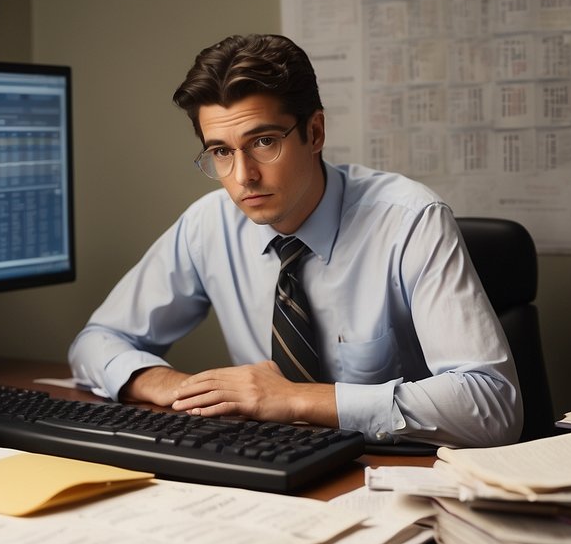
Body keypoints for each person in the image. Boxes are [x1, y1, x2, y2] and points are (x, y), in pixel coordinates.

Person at [68, 34, 522, 447]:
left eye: (264, 142)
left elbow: (493, 405)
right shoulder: (209, 225)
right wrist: (170, 386)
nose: (243, 176)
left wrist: (295, 399)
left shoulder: (410, 222)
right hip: (273, 467)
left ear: (315, 132)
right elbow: (96, 342)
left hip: (395, 472)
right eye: (222, 152)